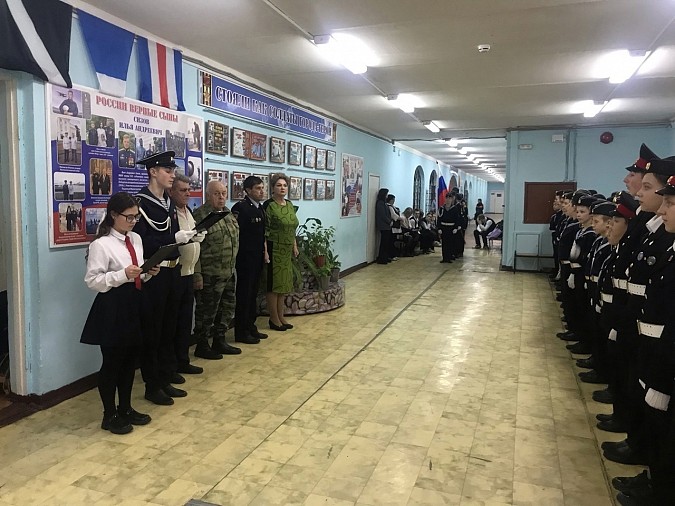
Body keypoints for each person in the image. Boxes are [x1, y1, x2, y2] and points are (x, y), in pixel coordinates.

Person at [80, 192, 159, 434]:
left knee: (130, 361)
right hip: (113, 306)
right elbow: (93, 281)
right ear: (114, 215)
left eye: (136, 217)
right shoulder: (101, 244)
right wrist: (122, 275)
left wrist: (147, 272)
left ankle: (125, 408)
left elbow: (137, 273)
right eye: (129, 217)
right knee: (113, 363)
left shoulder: (135, 238)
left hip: (135, 302)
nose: (133, 222)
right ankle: (109, 414)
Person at [134, 150, 196, 406]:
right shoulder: (141, 203)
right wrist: (173, 238)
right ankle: (152, 385)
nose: (172, 175)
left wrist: (186, 238)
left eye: (172, 170)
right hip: (154, 274)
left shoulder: (167, 202)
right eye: (167, 171)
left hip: (173, 270)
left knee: (169, 328)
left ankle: (165, 376)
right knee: (153, 331)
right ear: (153, 172)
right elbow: (141, 242)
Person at [192, 180, 242, 358]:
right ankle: (202, 344)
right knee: (207, 312)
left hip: (228, 272)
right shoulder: (200, 216)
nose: (221, 197)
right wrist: (197, 274)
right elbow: (194, 248)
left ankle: (219, 340)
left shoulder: (228, 214)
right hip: (209, 274)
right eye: (216, 194)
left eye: (223, 193)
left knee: (227, 308)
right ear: (208, 195)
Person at [169, 175, 205, 378]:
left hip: (189, 273)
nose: (188, 193)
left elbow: (191, 235)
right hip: (176, 273)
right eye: (183, 190)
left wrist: (198, 236)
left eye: (189, 190)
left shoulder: (188, 211)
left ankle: (183, 360)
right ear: (171, 192)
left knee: (185, 321)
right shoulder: (170, 213)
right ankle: (172, 365)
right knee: (173, 322)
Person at [232, 176, 269, 344]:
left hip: (257, 257)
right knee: (244, 295)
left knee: (253, 294)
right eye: (258, 188)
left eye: (262, 188)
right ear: (248, 190)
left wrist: (264, 252)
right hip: (245, 259)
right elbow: (236, 234)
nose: (262, 191)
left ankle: (251, 326)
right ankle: (241, 331)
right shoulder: (241, 208)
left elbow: (261, 235)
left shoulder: (260, 208)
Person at [263, 173, 299, 331]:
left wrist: (294, 245)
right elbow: (264, 230)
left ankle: (281, 315)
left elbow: (292, 227)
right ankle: (273, 318)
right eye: (279, 185)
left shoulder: (289, 204)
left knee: (283, 283)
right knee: (274, 285)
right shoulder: (269, 205)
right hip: (274, 248)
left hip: (286, 250)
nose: (282, 188)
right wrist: (265, 251)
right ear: (272, 188)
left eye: (285, 185)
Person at [437, 192, 460, 263]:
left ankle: (449, 257)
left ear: (452, 199)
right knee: (444, 243)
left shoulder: (454, 209)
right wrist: (439, 228)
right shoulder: (441, 208)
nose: (448, 200)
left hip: (451, 228)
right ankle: (444, 258)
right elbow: (439, 219)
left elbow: (457, 219)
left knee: (450, 243)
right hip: (444, 227)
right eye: (447, 198)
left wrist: (456, 228)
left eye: (450, 198)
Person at [375, 188, 392, 264]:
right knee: (384, 243)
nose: (387, 196)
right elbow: (382, 215)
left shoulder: (384, 203)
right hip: (383, 225)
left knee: (386, 243)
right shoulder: (380, 203)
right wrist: (389, 221)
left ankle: (385, 256)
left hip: (387, 226)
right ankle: (382, 258)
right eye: (386, 194)